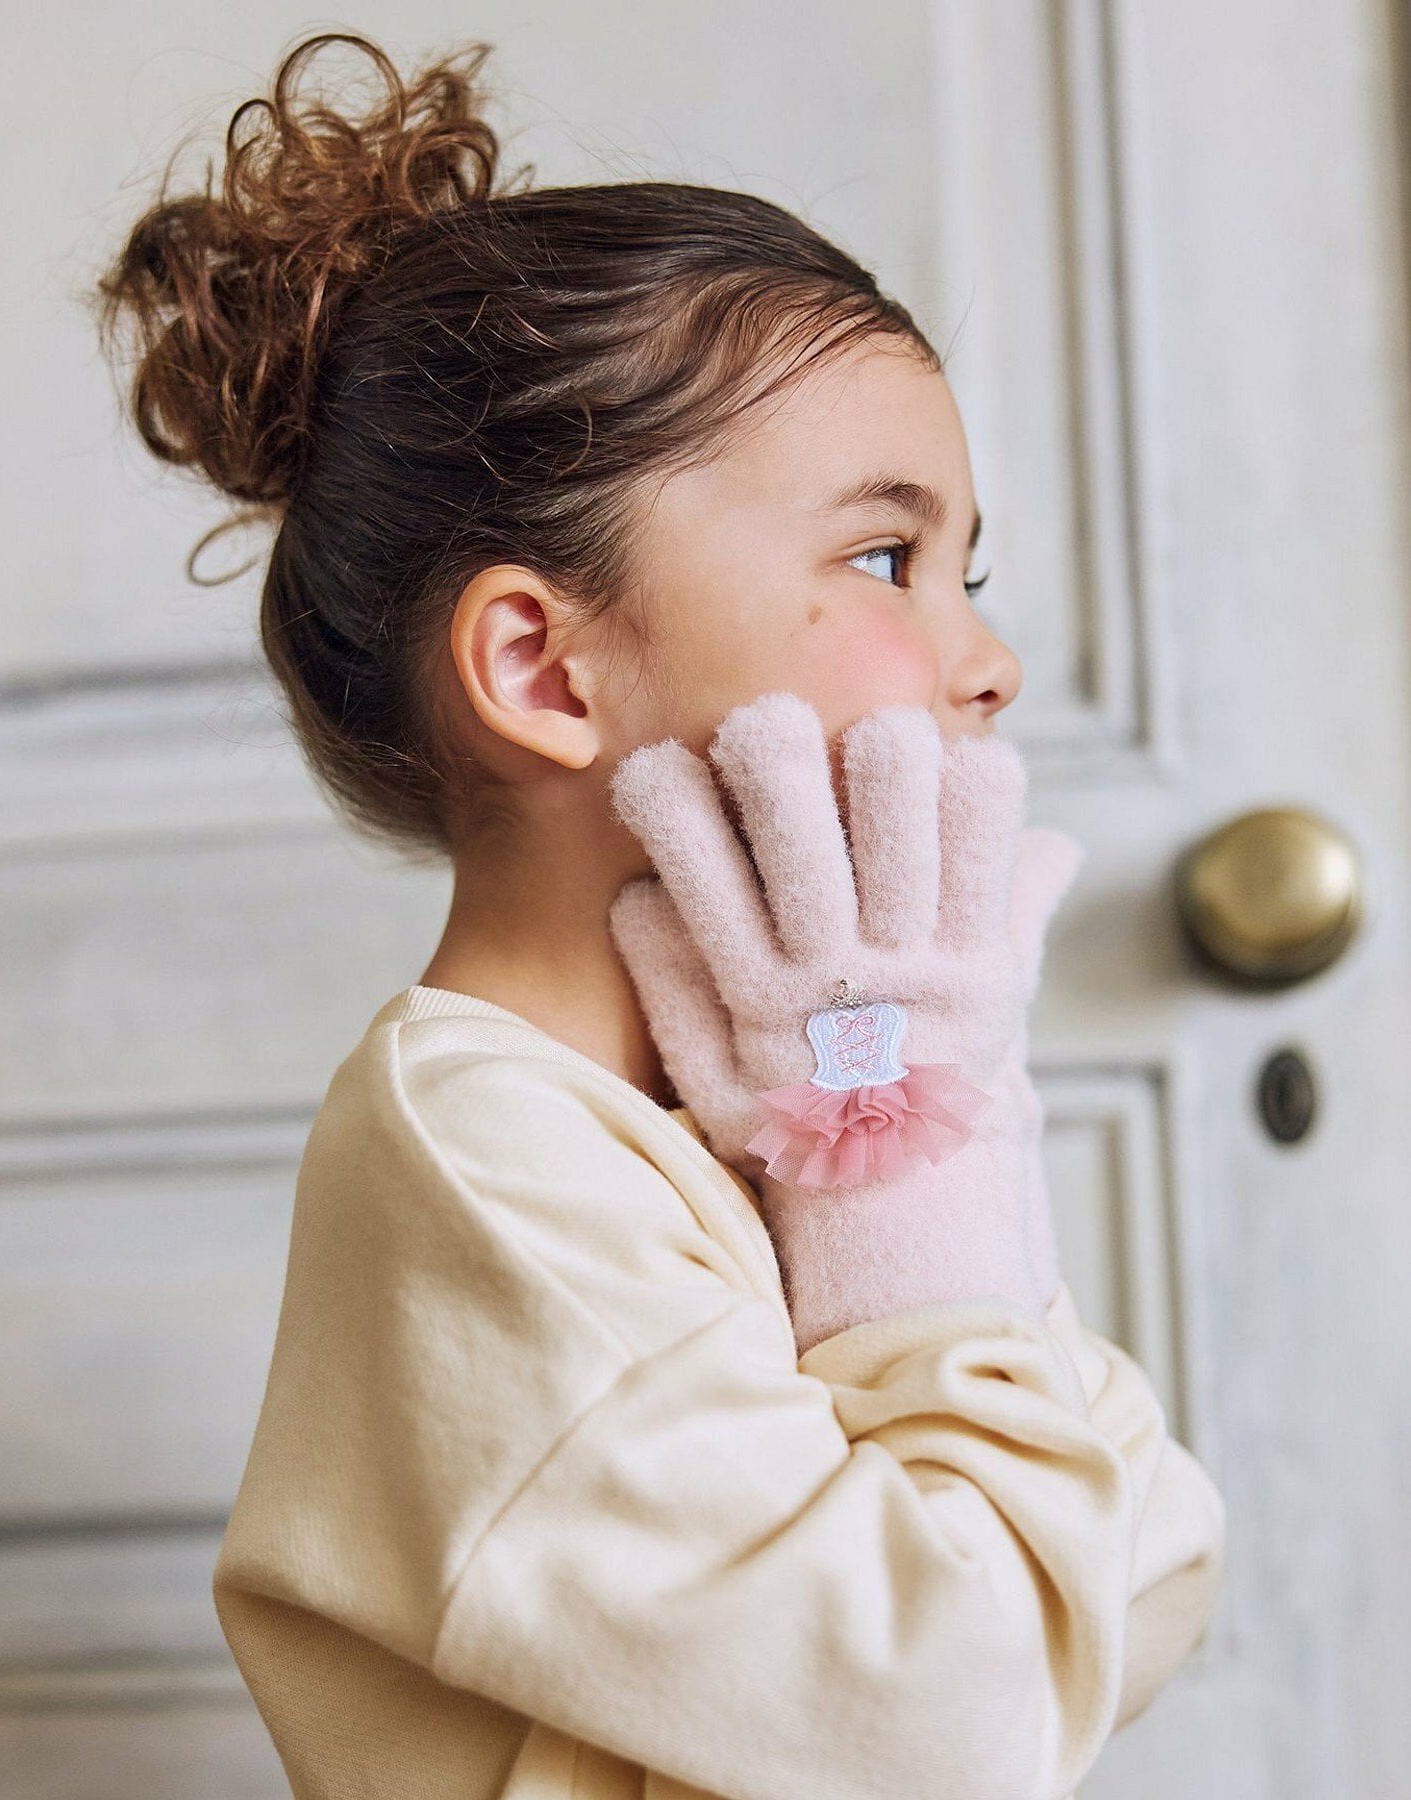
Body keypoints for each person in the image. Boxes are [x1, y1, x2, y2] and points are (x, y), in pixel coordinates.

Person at [94, 30, 1226, 1798]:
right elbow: (965, 1712)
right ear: (546, 671)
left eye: (969, 569)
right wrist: (899, 1181)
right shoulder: (484, 1164)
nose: (992, 661)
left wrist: (871, 1114)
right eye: (887, 556)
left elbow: (1153, 1573)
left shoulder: (774, 1091)